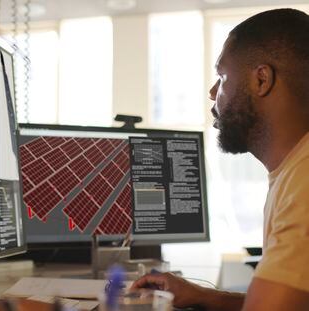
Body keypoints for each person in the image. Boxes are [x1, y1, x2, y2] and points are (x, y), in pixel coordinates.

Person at [131, 8, 309, 311]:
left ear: (262, 80)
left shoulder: (303, 185)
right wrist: (207, 297)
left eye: (222, 77)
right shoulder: (292, 171)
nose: (213, 93)